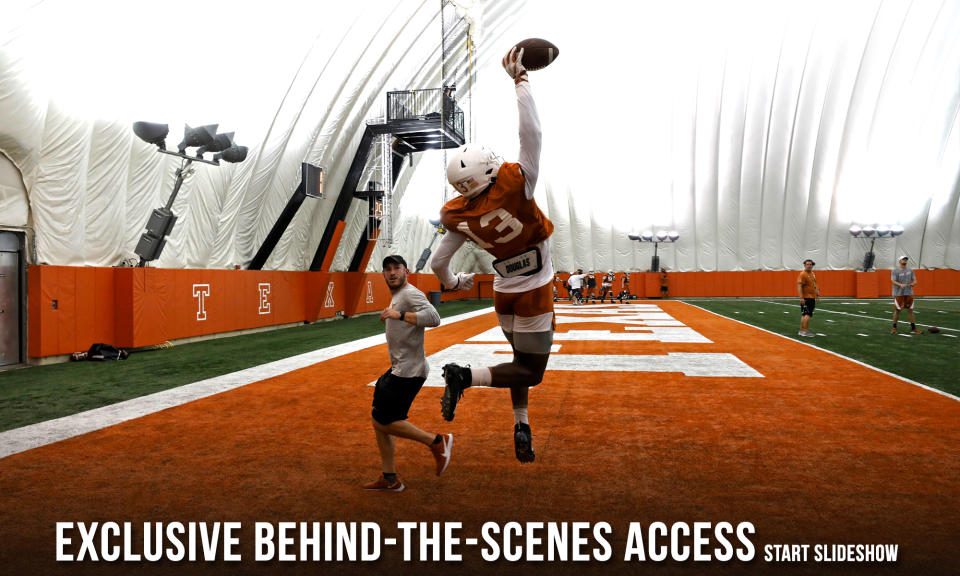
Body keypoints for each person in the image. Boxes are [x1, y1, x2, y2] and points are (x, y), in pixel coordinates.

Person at [431, 46, 551, 463]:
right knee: (531, 371)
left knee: (518, 362)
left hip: (503, 289)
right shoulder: (516, 184)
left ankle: (521, 423)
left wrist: (453, 283)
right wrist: (521, 81)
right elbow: (531, 135)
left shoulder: (458, 213)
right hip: (535, 284)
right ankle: (465, 376)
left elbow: (437, 263)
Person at [363, 255, 449, 491]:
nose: (392, 273)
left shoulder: (410, 293)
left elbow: (434, 318)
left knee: (384, 421)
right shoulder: (398, 296)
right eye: (387, 269)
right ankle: (390, 479)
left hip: (409, 372)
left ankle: (437, 442)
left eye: (396, 268)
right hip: (399, 369)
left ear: (406, 271)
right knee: (378, 419)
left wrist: (398, 315)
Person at [891, 255, 921, 334]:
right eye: (903, 259)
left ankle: (913, 328)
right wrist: (900, 284)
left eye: (905, 259)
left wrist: (914, 283)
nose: (905, 260)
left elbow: (914, 280)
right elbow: (893, 281)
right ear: (899, 261)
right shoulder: (895, 271)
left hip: (909, 293)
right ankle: (894, 327)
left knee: (910, 310)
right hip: (898, 293)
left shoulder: (910, 270)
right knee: (897, 310)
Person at [797, 259, 820, 338]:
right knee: (808, 314)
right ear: (804, 265)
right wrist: (801, 297)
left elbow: (815, 284)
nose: (809, 266)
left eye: (810, 264)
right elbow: (799, 286)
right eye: (807, 264)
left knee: (804, 314)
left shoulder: (813, 274)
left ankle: (802, 330)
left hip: (811, 297)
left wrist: (817, 293)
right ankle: (804, 331)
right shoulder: (803, 274)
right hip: (807, 297)